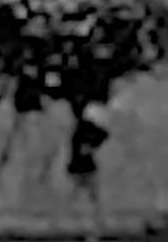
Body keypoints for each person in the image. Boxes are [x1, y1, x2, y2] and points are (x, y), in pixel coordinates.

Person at [68, 103, 113, 242]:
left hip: (83, 168)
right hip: (82, 168)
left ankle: (91, 229)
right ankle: (90, 228)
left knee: (88, 199)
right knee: (87, 199)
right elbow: (101, 136)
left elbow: (101, 136)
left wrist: (92, 144)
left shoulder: (83, 129)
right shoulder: (82, 130)